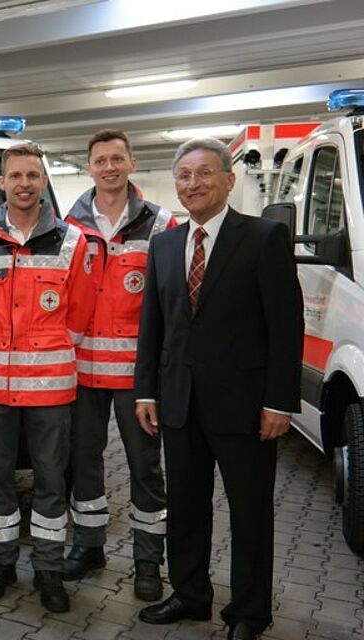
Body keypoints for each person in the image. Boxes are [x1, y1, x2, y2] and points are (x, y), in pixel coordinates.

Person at [134, 138, 303, 640]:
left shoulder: (264, 238)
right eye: (183, 175)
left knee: (249, 511)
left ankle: (249, 613)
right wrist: (147, 391)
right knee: (185, 506)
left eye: (204, 173)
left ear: (229, 180)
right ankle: (190, 595)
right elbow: (153, 326)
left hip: (247, 408)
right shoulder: (164, 244)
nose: (193, 184)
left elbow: (285, 325)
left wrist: (279, 400)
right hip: (180, 403)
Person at [0, 142, 94, 613]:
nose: (24, 183)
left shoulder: (73, 241)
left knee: (51, 480)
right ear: (2, 182)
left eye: (33, 175)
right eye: (15, 175)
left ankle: (49, 570)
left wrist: (45, 355)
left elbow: (78, 316)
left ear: (43, 180)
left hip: (51, 388)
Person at [63, 129, 175, 600]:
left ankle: (148, 561)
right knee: (82, 463)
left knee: (144, 468)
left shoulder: (162, 225)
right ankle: (89, 545)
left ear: (132, 163)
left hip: (136, 375)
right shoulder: (68, 223)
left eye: (116, 159)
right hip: (82, 371)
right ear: (89, 167)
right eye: (100, 160)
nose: (109, 167)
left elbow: (171, 304)